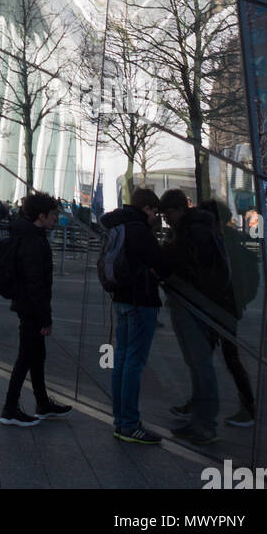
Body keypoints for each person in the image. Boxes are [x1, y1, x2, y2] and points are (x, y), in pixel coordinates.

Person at [158, 188, 231, 445]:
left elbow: (196, 268)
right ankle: (200, 420)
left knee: (200, 364)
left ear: (179, 210)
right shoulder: (193, 230)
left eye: (168, 214)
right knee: (197, 364)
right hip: (194, 301)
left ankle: (205, 423)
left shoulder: (194, 232)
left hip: (194, 302)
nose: (166, 220)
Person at [0, 191, 73, 427]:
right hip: (30, 307)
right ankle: (10, 408)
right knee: (25, 357)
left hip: (27, 304)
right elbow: (35, 283)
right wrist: (45, 318)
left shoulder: (30, 234)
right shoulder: (32, 240)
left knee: (36, 355)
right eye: (52, 215)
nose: (55, 220)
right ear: (41, 216)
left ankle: (42, 402)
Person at [99, 187, 166, 444]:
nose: (155, 217)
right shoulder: (140, 231)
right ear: (147, 208)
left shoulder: (119, 226)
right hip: (141, 302)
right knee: (134, 363)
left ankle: (121, 419)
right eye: (154, 212)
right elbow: (160, 264)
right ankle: (128, 423)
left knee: (123, 360)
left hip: (122, 300)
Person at [184, 200, 258, 429]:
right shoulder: (222, 240)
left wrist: (234, 301)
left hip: (223, 309)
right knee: (209, 356)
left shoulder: (226, 243)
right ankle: (199, 401)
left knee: (227, 357)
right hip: (221, 307)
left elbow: (240, 279)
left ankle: (247, 408)